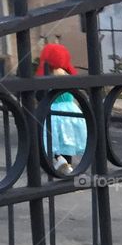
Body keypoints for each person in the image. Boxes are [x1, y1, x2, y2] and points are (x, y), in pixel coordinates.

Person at [35, 42, 87, 176]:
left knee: (54, 138)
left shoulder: (46, 75)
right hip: (71, 110)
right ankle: (67, 165)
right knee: (67, 140)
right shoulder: (67, 73)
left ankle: (58, 159)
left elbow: (39, 95)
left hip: (53, 111)